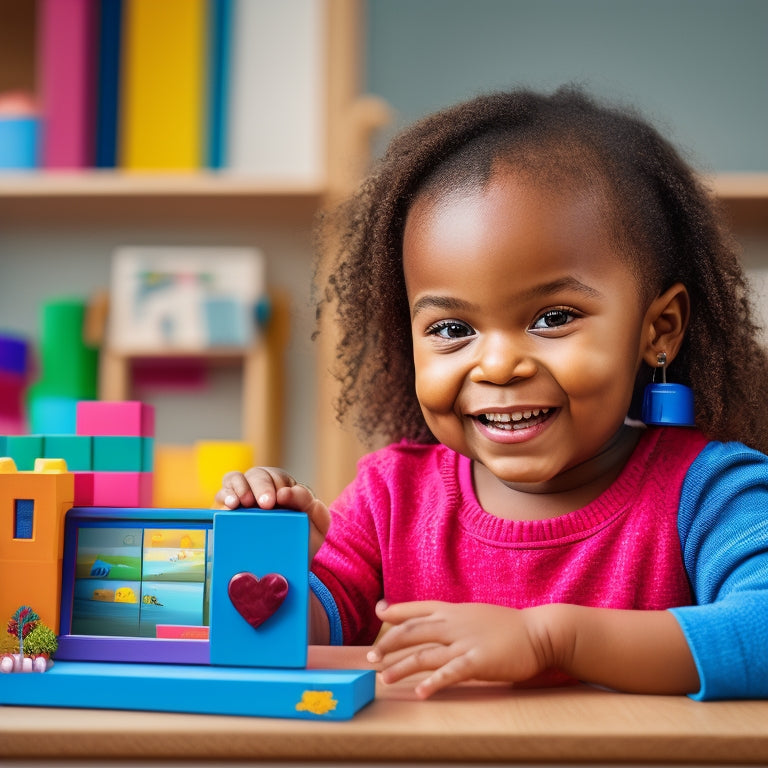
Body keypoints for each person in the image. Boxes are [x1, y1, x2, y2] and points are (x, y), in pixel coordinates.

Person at [217, 86, 768, 701]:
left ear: (656, 329)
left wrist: (548, 639)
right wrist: (275, 559)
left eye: (553, 317)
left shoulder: (712, 495)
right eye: (452, 330)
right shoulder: (388, 499)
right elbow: (315, 633)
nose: (499, 365)